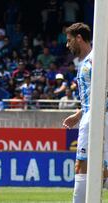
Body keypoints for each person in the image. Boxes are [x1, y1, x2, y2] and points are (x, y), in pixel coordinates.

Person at [62, 22, 107, 203]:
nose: (67, 45)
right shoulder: (87, 61)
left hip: (97, 118)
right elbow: (96, 94)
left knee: (82, 165)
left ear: (79, 38)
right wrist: (80, 113)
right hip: (91, 115)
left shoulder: (97, 59)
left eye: (69, 40)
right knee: (99, 167)